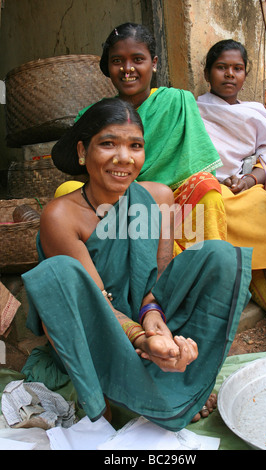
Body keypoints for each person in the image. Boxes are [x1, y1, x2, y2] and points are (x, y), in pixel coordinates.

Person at [21, 98, 252, 430]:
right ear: (84, 151)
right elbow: (94, 300)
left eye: (135, 146)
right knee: (61, 274)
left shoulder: (158, 197)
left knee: (219, 255)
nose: (124, 158)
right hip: (94, 331)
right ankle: (114, 393)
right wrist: (142, 338)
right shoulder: (61, 215)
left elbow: (155, 283)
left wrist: (152, 315)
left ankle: (178, 375)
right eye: (108, 144)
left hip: (144, 320)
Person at [58, 22, 227, 247]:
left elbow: (197, 166)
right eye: (117, 61)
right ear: (108, 66)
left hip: (172, 201)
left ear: (154, 63)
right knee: (66, 191)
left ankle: (206, 265)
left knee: (207, 187)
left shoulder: (177, 102)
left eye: (138, 59)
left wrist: (153, 194)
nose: (127, 69)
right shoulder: (93, 115)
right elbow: (81, 171)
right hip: (112, 200)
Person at [197, 39, 266, 330]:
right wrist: (217, 179)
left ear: (244, 75)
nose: (230, 74)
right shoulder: (194, 112)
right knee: (207, 203)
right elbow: (189, 156)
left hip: (244, 188)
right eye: (221, 67)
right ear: (207, 74)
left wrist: (248, 180)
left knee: (264, 204)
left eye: (237, 68)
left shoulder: (255, 113)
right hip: (211, 187)